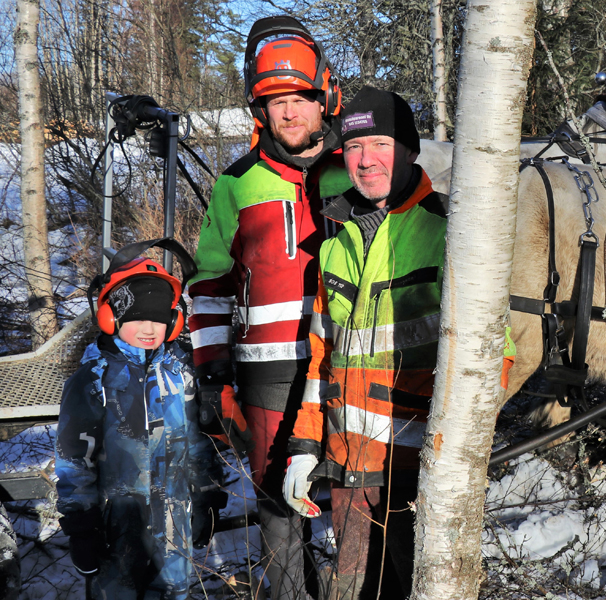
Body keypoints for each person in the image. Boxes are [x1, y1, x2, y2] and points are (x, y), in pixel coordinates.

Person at [187, 16, 352, 599]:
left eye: (300, 99)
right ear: (259, 110)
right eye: (274, 102)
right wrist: (211, 372)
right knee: (280, 515)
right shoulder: (237, 183)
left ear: (324, 95)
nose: (289, 114)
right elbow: (208, 283)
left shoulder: (359, 171)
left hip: (354, 365)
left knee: (360, 503)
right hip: (270, 373)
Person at [280, 86, 445, 599]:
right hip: (349, 470)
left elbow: (493, 360)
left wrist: (449, 459)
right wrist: (304, 449)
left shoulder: (449, 236)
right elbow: (321, 361)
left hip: (417, 475)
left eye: (380, 143)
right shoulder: (335, 247)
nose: (365, 159)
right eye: (354, 147)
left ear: (410, 150)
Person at [55, 245, 224, 600]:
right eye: (137, 318)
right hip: (115, 529)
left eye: (159, 319)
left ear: (174, 321)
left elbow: (197, 442)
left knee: (172, 593)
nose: (149, 328)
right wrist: (81, 526)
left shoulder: (182, 375)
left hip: (174, 525)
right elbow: (74, 461)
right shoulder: (93, 381)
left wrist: (207, 493)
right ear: (110, 318)